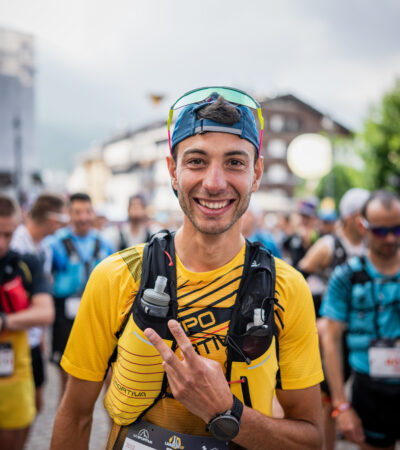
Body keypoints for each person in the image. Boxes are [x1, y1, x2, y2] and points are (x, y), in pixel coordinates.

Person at [51, 87, 324, 450]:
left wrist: (226, 411)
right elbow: (75, 415)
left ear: (256, 173)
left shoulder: (286, 288)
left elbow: (309, 440)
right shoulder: (117, 277)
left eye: (235, 162)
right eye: (196, 161)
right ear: (172, 171)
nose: (214, 182)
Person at [320, 189, 400, 449]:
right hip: (369, 388)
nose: (390, 238)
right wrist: (341, 405)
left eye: (397, 230)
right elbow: (330, 340)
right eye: (380, 231)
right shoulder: (346, 276)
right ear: (362, 226)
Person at [298, 187, 369, 450]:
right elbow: (299, 278)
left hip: (362, 333)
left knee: (363, 396)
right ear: (351, 217)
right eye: (364, 216)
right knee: (328, 398)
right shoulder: (329, 245)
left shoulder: (371, 243)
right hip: (329, 333)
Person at [0, 194, 54, 450]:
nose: (2, 243)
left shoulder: (25, 263)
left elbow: (45, 313)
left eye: (8, 235)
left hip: (17, 364)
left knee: (25, 421)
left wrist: (4, 321)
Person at [46, 192, 113, 397]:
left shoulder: (104, 244)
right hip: (65, 316)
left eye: (87, 211)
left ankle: (112, 427)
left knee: (109, 378)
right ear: (69, 214)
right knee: (67, 381)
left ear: (93, 213)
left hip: (97, 314)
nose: (83, 217)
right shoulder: (54, 244)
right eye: (77, 212)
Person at [11, 192, 67, 413]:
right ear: (53, 221)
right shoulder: (14, 244)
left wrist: (41, 334)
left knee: (36, 403)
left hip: (33, 338)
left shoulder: (45, 248)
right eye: (63, 219)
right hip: (13, 337)